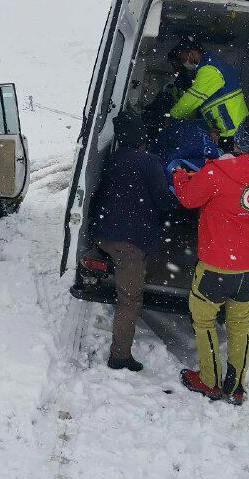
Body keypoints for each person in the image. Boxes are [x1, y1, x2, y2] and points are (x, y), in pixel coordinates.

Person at [172, 114, 249, 405]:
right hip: (248, 266)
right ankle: (237, 386)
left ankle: (209, 380)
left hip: (217, 264)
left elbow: (189, 199)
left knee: (204, 322)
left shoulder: (216, 171)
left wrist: (180, 176)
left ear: (238, 138)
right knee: (240, 324)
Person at [93, 112, 176, 372]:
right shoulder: (149, 162)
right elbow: (164, 201)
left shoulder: (112, 159)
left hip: (104, 234)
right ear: (143, 138)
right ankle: (119, 357)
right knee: (129, 300)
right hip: (128, 244)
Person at [168, 41, 249, 151]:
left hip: (233, 134)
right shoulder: (212, 65)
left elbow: (192, 98)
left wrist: (173, 116)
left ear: (192, 54)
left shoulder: (210, 69)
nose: (183, 63)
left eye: (183, 59)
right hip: (229, 131)